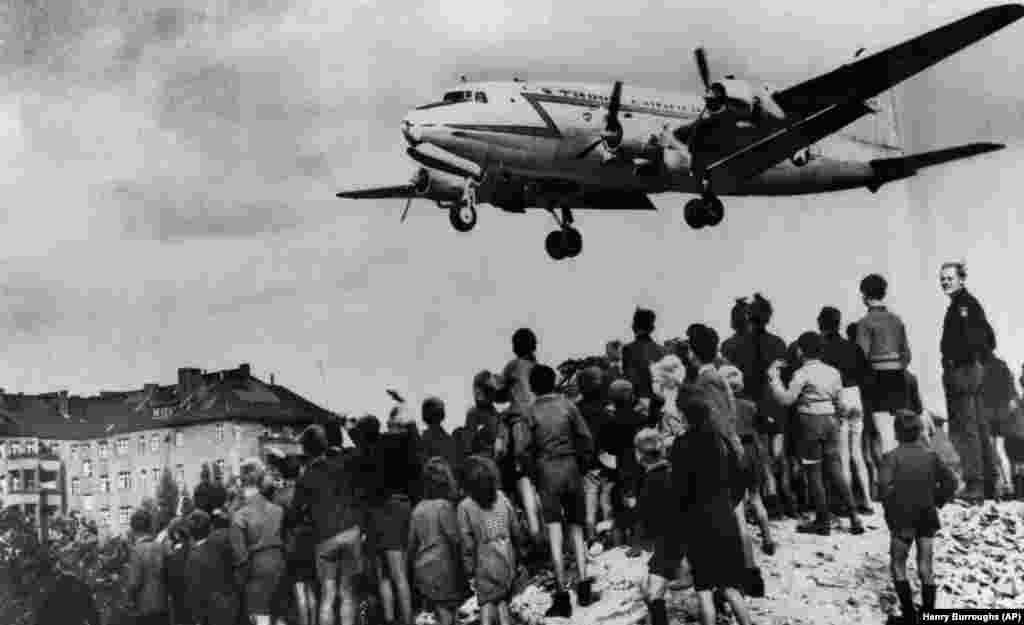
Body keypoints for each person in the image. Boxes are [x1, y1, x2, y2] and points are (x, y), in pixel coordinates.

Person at [519, 363, 597, 617]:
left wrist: (534, 474)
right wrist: (581, 464)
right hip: (571, 467)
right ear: (553, 382)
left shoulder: (530, 412)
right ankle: (584, 585)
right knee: (576, 527)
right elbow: (585, 438)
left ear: (532, 386)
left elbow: (523, 451)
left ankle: (562, 595)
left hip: (547, 472)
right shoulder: (567, 405)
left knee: (554, 531)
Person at [769, 331, 865, 536]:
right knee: (836, 469)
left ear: (800, 351)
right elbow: (840, 403)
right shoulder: (833, 372)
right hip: (831, 420)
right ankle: (854, 516)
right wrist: (838, 419)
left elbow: (786, 399)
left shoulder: (801, 374)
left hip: (809, 423)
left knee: (814, 472)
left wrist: (775, 380)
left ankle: (822, 521)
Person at [670, 399, 752, 625]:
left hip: (697, 522)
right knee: (731, 588)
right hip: (723, 516)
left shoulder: (681, 444)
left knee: (704, 590)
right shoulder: (721, 440)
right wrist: (729, 502)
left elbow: (677, 488)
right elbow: (739, 477)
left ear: (687, 417)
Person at [878, 410, 958, 625]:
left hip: (902, 517)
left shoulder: (890, 457)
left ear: (896, 433)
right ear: (920, 431)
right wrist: (936, 500)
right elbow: (952, 483)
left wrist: (892, 511)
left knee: (898, 565)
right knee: (926, 567)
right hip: (926, 515)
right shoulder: (931, 456)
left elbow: (883, 490)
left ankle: (909, 616)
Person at [290, 424, 364, 625]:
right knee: (347, 593)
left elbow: (294, 514)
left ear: (306, 450)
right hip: (350, 532)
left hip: (325, 538)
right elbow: (360, 451)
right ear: (325, 445)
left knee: (328, 596)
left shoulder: (305, 479)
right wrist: (349, 430)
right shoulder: (342, 464)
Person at [729, 294, 793, 518]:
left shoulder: (731, 345)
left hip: (747, 404)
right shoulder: (778, 343)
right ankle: (783, 498)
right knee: (778, 454)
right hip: (773, 403)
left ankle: (763, 498)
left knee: (756, 454)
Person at [940, 261, 997, 503]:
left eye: (949, 278)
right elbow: (990, 338)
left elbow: (977, 339)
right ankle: (988, 483)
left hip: (963, 371)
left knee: (967, 428)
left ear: (961, 279)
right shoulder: (968, 303)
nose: (944, 282)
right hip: (973, 370)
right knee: (978, 427)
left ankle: (975, 486)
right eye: (942, 278)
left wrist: (959, 362)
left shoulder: (962, 306)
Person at [360, 413, 419, 625]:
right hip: (402, 507)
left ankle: (394, 619)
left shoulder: (371, 450)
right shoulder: (406, 446)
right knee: (398, 573)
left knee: (387, 574)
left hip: (382, 512)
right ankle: (404, 618)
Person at [819, 307, 873, 515]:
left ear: (822, 324)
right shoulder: (853, 347)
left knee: (843, 456)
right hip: (856, 396)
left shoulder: (824, 350)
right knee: (857, 454)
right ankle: (867, 501)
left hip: (840, 397)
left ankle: (847, 504)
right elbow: (867, 375)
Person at [494, 328, 544, 548]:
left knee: (523, 476)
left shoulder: (513, 367)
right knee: (540, 478)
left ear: (515, 347)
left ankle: (534, 532)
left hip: (520, 427)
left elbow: (498, 393)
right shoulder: (538, 368)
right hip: (541, 423)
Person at [457, 456, 524, 625]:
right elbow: (515, 528)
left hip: (484, 565)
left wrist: (469, 570)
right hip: (506, 559)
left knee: (486, 604)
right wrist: (519, 554)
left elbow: (467, 544)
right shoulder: (501, 497)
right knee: (502, 601)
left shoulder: (465, 507)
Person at [720, 364, 775, 557]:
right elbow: (763, 426)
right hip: (752, 452)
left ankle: (744, 547)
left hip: (733, 453)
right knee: (756, 497)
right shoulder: (751, 405)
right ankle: (768, 537)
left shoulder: (722, 408)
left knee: (737, 504)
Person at [857, 274, 912, 457]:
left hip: (877, 380)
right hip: (898, 377)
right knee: (899, 431)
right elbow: (907, 355)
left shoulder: (865, 323)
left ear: (864, 295)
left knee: (881, 433)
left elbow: (861, 357)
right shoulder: (896, 320)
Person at [408, 458, 467, 625]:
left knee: (442, 613)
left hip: (423, 570)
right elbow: (455, 538)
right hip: (444, 568)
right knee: (450, 614)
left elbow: (411, 543)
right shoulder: (444, 506)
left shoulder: (418, 508)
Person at [634, 428, 681, 625]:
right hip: (681, 539)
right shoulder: (674, 472)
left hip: (667, 544)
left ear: (640, 455)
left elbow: (646, 520)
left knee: (652, 594)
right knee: (652, 591)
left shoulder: (649, 482)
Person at [233, 458, 286, 625]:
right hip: (280, 565)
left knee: (261, 618)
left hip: (256, 570)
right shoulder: (277, 509)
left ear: (242, 480)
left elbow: (240, 556)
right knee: (280, 616)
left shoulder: (239, 515)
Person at [576, 366, 616, 544]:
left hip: (588, 464)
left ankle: (592, 538)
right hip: (608, 461)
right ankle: (609, 538)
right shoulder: (608, 409)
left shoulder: (576, 409)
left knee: (589, 505)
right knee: (607, 503)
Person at [185, 508, 243, 625]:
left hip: (210, 613)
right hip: (231, 606)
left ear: (190, 533)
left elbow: (195, 590)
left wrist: (197, 618)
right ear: (210, 527)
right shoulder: (223, 546)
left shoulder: (193, 557)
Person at [125, 508, 170, 625]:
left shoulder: (137, 550)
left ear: (133, 529)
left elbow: (134, 582)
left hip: (144, 608)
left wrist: (128, 600)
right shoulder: (161, 548)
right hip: (163, 605)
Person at [981, 352, 1016, 499]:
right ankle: (1008, 485)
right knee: (1001, 450)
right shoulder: (1002, 365)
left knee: (989, 450)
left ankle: (994, 486)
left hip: (987, 413)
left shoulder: (982, 366)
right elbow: (1011, 391)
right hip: (1003, 415)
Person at [622, 308, 667, 417]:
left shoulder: (629, 349)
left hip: (637, 406)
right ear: (652, 328)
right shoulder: (661, 350)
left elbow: (630, 379)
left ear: (634, 327)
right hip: (659, 404)